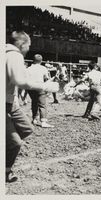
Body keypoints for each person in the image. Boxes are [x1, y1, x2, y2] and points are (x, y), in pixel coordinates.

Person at [6, 31, 59, 182]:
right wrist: (44, 86)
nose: (29, 49)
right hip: (5, 103)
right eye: (28, 45)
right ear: (22, 44)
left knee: (27, 128)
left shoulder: (6, 53)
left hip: (10, 102)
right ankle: (5, 170)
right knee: (15, 142)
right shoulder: (14, 54)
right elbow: (20, 81)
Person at [27, 54, 54, 128]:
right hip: (39, 87)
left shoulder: (28, 68)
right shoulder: (43, 68)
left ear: (33, 60)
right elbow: (46, 78)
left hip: (31, 87)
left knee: (34, 102)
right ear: (41, 61)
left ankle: (35, 119)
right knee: (42, 104)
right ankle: (43, 121)